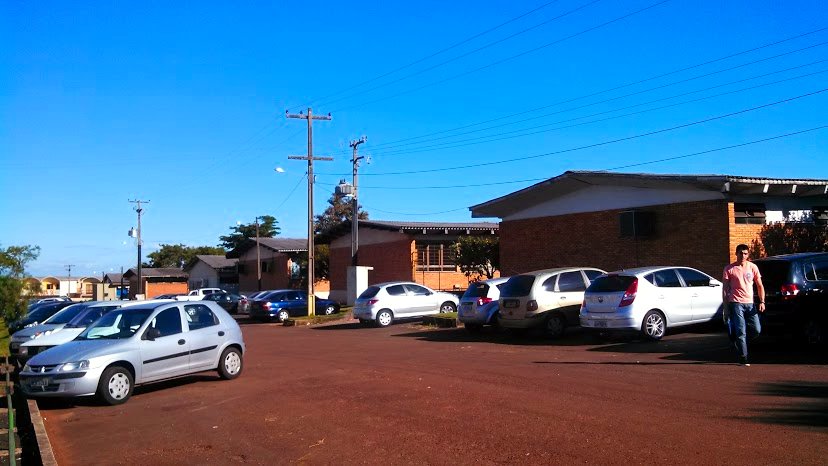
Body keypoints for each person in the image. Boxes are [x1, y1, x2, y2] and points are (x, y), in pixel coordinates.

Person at [722, 244, 765, 366]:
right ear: (736, 254)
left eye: (745, 253)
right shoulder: (729, 269)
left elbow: (759, 285)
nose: (743, 255)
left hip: (750, 303)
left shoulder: (752, 267)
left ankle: (739, 339)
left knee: (756, 329)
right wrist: (726, 308)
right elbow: (725, 289)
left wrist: (762, 301)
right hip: (736, 303)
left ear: (748, 255)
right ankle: (743, 357)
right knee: (741, 331)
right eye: (741, 253)